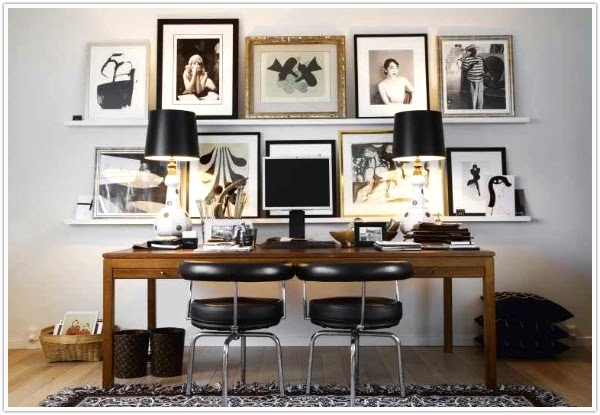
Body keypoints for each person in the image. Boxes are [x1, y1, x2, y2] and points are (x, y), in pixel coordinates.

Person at [460, 44, 485, 109]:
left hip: (480, 80)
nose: (477, 52)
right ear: (471, 51)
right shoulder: (467, 59)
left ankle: (479, 111)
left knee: (480, 99)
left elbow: (481, 69)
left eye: (477, 50)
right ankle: (472, 111)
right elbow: (464, 71)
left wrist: (483, 73)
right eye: (475, 50)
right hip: (471, 80)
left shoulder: (480, 58)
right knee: (472, 98)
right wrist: (471, 67)